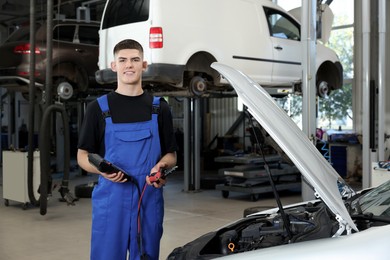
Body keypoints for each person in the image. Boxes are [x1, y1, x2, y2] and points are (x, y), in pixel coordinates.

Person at [77, 39, 177, 260]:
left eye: (135, 59)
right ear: (114, 66)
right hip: (111, 200)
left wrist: (161, 167)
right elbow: (83, 155)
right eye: (123, 60)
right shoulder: (98, 108)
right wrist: (102, 171)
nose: (129, 65)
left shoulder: (160, 108)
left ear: (144, 64)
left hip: (148, 195)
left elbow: (171, 154)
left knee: (147, 256)